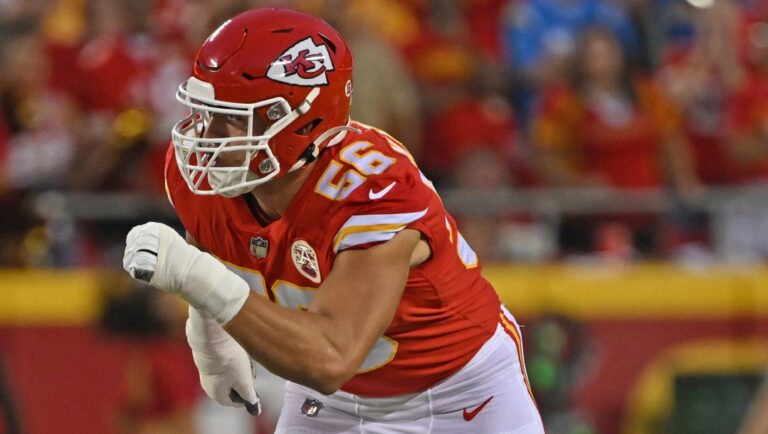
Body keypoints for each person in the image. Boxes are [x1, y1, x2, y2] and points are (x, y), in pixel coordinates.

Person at [122, 7, 544, 433]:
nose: (205, 135)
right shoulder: (205, 174)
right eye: (205, 110)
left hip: (462, 391)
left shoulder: (372, 188)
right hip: (333, 402)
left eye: (231, 117)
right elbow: (215, 249)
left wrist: (195, 278)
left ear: (300, 123)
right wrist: (209, 336)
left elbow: (331, 357)